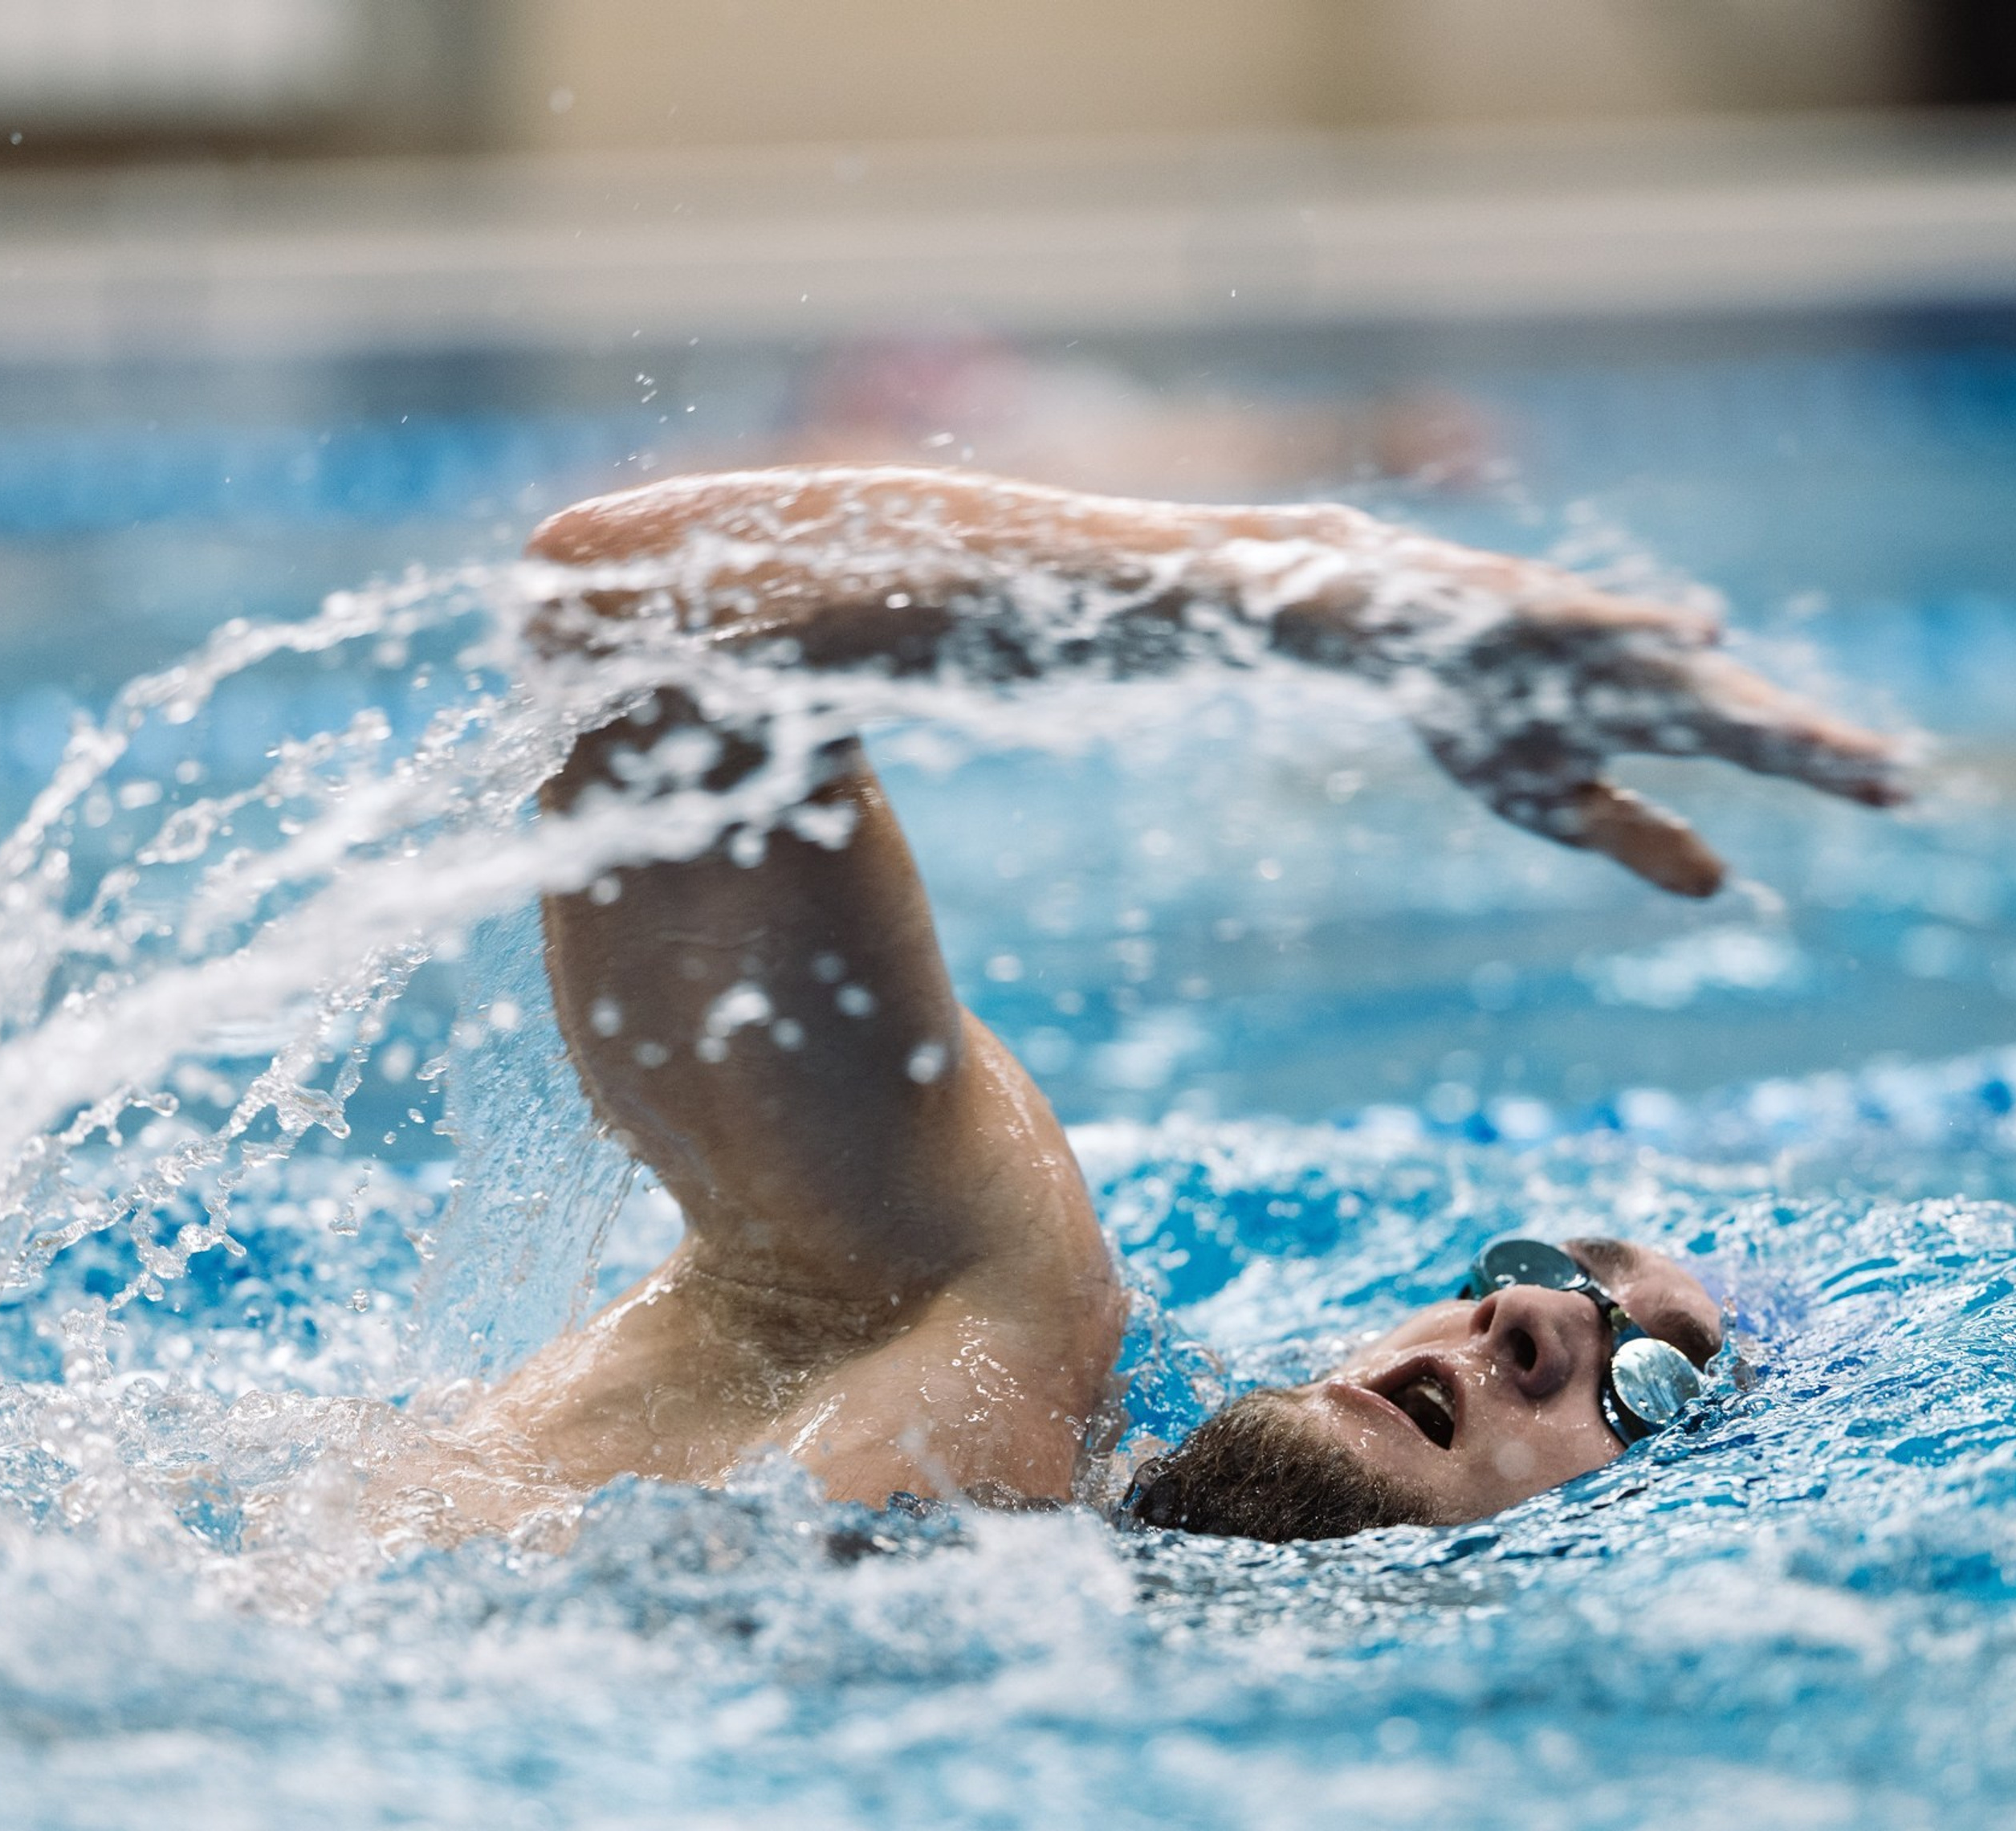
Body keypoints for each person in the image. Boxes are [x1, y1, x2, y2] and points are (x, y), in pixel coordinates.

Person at [404, 464, 1905, 1547]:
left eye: (1651, 1383)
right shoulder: (980, 1316)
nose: (1531, 1315)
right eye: (1538, 1267)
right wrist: (1332, 589)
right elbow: (639, 609)